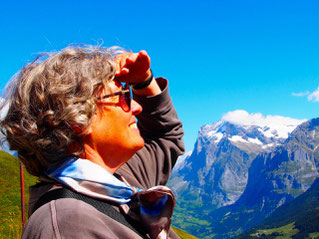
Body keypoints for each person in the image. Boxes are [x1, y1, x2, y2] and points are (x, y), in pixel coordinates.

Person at [0, 45, 184, 239]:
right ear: (78, 119)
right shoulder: (67, 228)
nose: (137, 107)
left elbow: (165, 135)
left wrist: (143, 81)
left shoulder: (121, 177)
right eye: (123, 97)